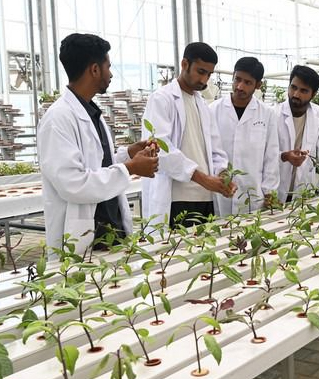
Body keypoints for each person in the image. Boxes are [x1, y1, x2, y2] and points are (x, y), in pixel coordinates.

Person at [38, 33, 158, 258]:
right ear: (94, 69)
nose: (111, 74)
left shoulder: (90, 112)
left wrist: (128, 154)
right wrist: (131, 168)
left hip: (111, 234)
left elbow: (96, 165)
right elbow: (73, 184)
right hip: (83, 240)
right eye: (108, 67)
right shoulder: (58, 119)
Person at [141, 42, 236, 227]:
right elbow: (160, 149)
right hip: (177, 199)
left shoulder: (202, 105)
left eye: (209, 74)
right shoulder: (162, 99)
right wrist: (202, 179)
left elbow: (216, 150)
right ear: (184, 64)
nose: (204, 80)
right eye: (201, 72)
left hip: (205, 198)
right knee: (176, 245)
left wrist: (223, 175)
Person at [209, 57, 279, 215]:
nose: (240, 86)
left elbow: (271, 157)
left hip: (253, 194)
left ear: (258, 85)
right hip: (221, 191)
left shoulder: (267, 114)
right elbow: (209, 151)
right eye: (237, 79)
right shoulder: (213, 110)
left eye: (247, 82)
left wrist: (270, 192)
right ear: (232, 77)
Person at [276, 65, 319, 203]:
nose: (296, 94)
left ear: (313, 94)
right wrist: (284, 156)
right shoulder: (273, 114)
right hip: (275, 188)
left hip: (303, 188)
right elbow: (263, 154)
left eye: (303, 90)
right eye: (293, 87)